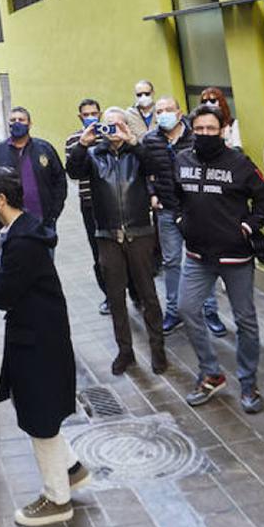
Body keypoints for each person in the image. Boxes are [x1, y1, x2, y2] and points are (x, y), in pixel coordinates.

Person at [0, 167, 88, 527]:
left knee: (40, 419)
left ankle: (57, 499)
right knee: (41, 413)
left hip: (38, 340)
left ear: (0, 199)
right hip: (37, 334)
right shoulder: (19, 230)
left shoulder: (22, 243)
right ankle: (70, 469)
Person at [174, 104, 264, 413]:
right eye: (200, 129)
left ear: (222, 130)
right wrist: (182, 222)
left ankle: (248, 383)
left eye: (211, 129)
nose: (205, 134)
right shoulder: (180, 160)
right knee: (187, 309)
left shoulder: (239, 163)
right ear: (193, 130)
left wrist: (246, 227)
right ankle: (211, 373)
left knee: (245, 319)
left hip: (236, 257)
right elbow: (173, 197)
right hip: (197, 256)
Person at [67, 106, 169, 375]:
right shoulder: (92, 154)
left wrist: (134, 142)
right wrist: (82, 143)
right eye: (107, 125)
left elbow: (156, 167)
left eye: (118, 124)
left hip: (140, 232)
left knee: (148, 294)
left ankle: (158, 350)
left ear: (126, 126)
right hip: (108, 235)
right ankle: (125, 352)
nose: (113, 129)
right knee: (115, 297)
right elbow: (74, 171)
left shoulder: (137, 153)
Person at [145, 95, 221, 335]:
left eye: (169, 109)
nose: (164, 114)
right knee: (171, 262)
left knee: (204, 258)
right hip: (167, 209)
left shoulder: (196, 136)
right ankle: (174, 311)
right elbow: (145, 171)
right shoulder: (150, 140)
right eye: (159, 111)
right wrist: (151, 193)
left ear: (179, 113)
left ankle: (210, 311)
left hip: (198, 209)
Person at [0, 106, 67, 237]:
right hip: (9, 225)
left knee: (44, 257)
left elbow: (59, 179)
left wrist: (54, 212)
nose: (17, 123)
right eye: (13, 120)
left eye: (21, 120)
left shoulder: (45, 149)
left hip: (43, 222)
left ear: (30, 124)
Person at [70, 97, 111, 312]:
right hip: (89, 203)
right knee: (98, 252)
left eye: (94, 113)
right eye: (86, 115)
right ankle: (108, 295)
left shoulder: (110, 134)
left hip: (112, 201)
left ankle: (132, 290)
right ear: (80, 117)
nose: (90, 118)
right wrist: (83, 144)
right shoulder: (73, 140)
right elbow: (73, 171)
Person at [198, 86, 239, 150]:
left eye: (212, 100)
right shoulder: (199, 126)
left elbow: (237, 148)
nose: (208, 104)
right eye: (204, 101)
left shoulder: (233, 124)